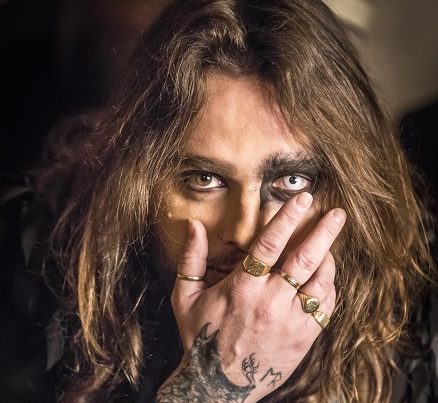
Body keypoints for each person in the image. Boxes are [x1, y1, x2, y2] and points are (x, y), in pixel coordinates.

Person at [1, 0, 436, 402]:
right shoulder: (22, 274)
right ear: (138, 182)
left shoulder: (417, 314)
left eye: (292, 180)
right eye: (204, 179)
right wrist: (210, 384)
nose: (245, 234)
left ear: (350, 187)